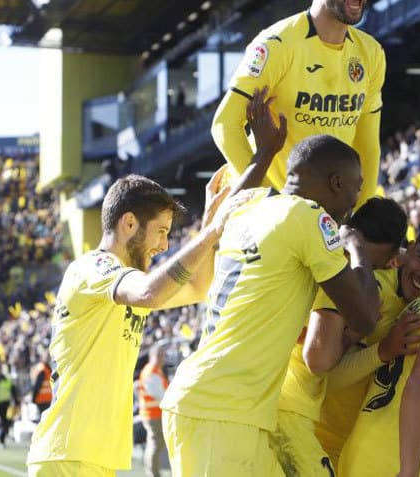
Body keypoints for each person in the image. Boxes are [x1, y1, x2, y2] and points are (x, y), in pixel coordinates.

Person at [28, 91, 287, 476]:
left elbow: (198, 288)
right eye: (161, 231)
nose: (164, 244)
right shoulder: (92, 269)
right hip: (68, 454)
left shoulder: (120, 281)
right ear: (128, 223)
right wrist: (210, 231)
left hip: (89, 456)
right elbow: (149, 292)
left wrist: (211, 228)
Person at [161, 134, 382, 477]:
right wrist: (357, 248)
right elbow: (366, 318)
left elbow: (233, 198)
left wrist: (265, 151)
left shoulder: (249, 206)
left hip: (223, 406)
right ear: (337, 183)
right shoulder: (309, 218)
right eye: (357, 187)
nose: (356, 199)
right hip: (222, 413)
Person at [211, 0, 385, 207]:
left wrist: (361, 213)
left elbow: (367, 145)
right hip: (266, 213)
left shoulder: (371, 53)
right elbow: (224, 125)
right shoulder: (277, 44)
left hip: (326, 214)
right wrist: (269, 200)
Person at [315, 218, 420, 469]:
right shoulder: (372, 292)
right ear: (410, 249)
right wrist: (383, 351)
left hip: (366, 461)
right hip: (317, 445)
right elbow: (322, 377)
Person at [272, 197, 411, 477]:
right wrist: (352, 336)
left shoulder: (317, 251)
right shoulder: (341, 267)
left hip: (280, 403)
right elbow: (320, 360)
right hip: (291, 410)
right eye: (383, 262)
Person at [137, 344, 169, 477]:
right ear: (152, 357)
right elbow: (162, 396)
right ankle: (152, 473)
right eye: (159, 356)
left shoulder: (155, 370)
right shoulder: (151, 372)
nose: (162, 359)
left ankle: (152, 472)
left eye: (163, 355)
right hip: (152, 415)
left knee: (155, 445)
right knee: (155, 445)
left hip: (154, 414)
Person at [30, 351, 53, 421]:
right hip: (42, 400)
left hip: (46, 399)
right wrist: (33, 398)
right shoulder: (43, 369)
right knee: (44, 420)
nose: (48, 358)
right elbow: (37, 385)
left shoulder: (47, 368)